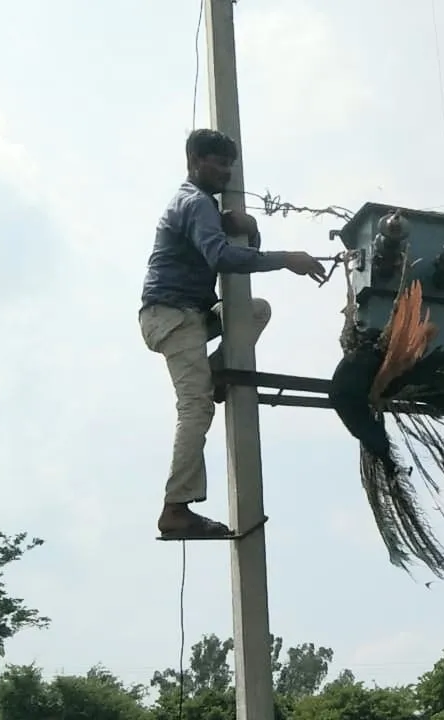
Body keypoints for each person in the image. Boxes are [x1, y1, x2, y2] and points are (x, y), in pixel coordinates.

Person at [139, 128, 328, 540]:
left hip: (188, 313)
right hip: (172, 313)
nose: (224, 171)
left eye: (228, 164)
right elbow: (221, 256)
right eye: (217, 162)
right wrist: (286, 259)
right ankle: (176, 508)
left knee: (254, 310)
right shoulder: (193, 202)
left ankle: (218, 371)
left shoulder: (202, 206)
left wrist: (242, 226)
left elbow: (223, 242)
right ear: (194, 161)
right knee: (196, 407)